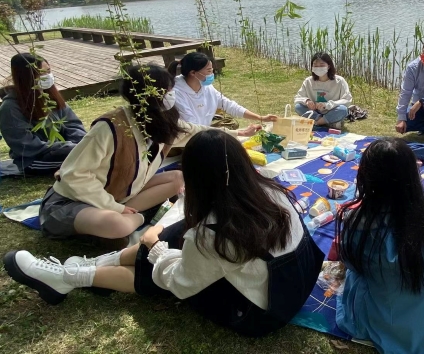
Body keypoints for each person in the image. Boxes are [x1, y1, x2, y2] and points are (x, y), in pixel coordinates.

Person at [3, 130, 325, 337]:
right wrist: (159, 237)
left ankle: (68, 276)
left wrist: (156, 247)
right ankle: (90, 267)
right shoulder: (268, 191)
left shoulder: (212, 234)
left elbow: (180, 281)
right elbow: (198, 231)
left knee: (154, 270)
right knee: (170, 234)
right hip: (291, 285)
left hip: (259, 315)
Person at [38, 65, 261, 243]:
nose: (173, 94)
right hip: (74, 202)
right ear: (149, 95)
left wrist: (237, 133)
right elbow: (73, 175)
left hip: (121, 194)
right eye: (168, 90)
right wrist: (115, 208)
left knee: (178, 178)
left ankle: (129, 219)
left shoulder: (163, 121)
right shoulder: (110, 127)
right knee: (117, 225)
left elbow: (196, 131)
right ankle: (135, 220)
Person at [336, 138, 424, 354]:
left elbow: (353, 266)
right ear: (414, 173)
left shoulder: (358, 222)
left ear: (366, 178)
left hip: (382, 316)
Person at [0, 53, 86, 175]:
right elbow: (25, 144)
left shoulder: (50, 96)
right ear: (27, 77)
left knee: (96, 145)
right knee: (87, 157)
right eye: (41, 73)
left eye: (48, 71)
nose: (47, 76)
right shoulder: (10, 108)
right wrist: (70, 147)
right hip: (35, 158)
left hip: (66, 148)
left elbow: (73, 124)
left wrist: (80, 143)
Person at [168, 52, 277, 126]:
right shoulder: (176, 93)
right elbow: (191, 125)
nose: (212, 73)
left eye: (212, 70)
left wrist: (260, 118)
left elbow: (229, 105)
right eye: (209, 71)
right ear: (193, 73)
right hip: (188, 138)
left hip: (202, 133)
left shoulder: (207, 87)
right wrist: (238, 134)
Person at [293, 52, 352, 129]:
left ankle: (316, 123)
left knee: (343, 110)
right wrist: (307, 101)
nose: (318, 68)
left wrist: (327, 105)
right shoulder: (308, 81)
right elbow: (297, 98)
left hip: (331, 110)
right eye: (315, 65)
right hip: (314, 112)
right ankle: (326, 122)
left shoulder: (339, 81)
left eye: (322, 65)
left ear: (329, 66)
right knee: (298, 107)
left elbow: (347, 100)